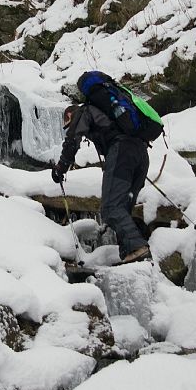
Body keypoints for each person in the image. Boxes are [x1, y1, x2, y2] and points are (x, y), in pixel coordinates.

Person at [52, 88, 152, 265]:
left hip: (122, 152)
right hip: (140, 154)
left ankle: (137, 247)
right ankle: (132, 254)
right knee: (123, 206)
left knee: (111, 207)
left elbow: (73, 139)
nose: (70, 126)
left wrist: (61, 167)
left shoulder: (82, 111)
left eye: (68, 123)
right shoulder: (109, 116)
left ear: (69, 115)